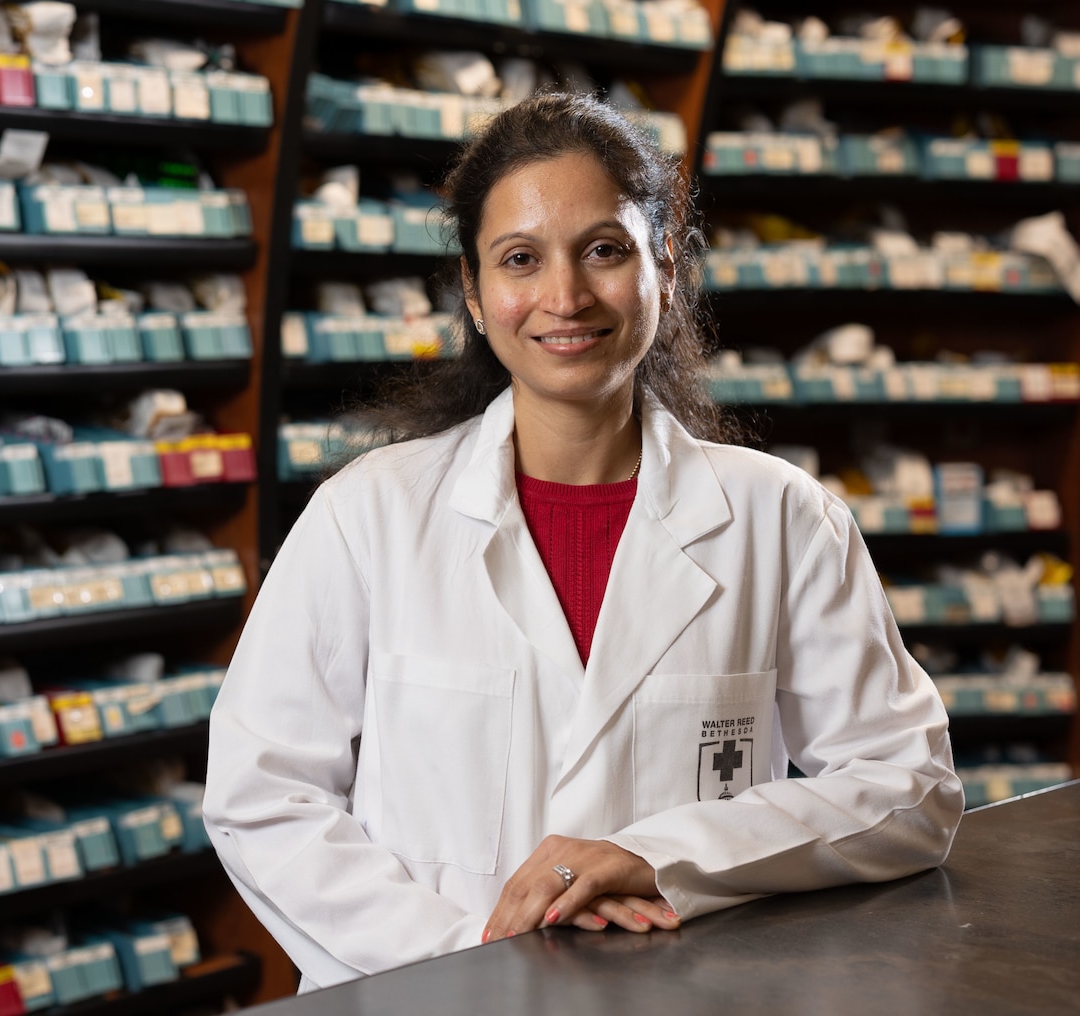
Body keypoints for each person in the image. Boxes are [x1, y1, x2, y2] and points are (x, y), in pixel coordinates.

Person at [202, 92, 963, 992]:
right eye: (520, 259)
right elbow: (262, 798)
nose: (564, 297)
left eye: (605, 250)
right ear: (476, 297)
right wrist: (466, 961)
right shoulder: (368, 515)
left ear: (665, 270)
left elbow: (909, 786)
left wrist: (659, 856)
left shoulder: (782, 519)